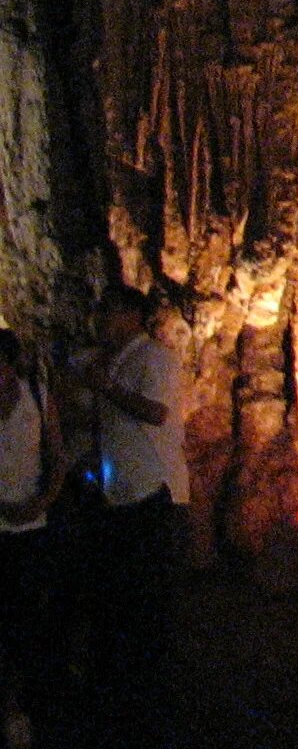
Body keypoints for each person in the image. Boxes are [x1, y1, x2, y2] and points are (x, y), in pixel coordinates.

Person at [68, 284, 186, 709]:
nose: (100, 323)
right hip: (122, 494)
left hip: (155, 493)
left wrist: (107, 387)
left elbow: (156, 411)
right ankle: (123, 682)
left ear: (129, 314)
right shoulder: (119, 361)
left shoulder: (153, 356)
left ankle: (153, 689)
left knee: (149, 595)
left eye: (106, 314)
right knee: (123, 593)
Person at [0, 329, 63, 749]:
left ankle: (18, 705)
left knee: (24, 618)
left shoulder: (38, 397)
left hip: (30, 525)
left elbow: (56, 455)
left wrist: (43, 500)